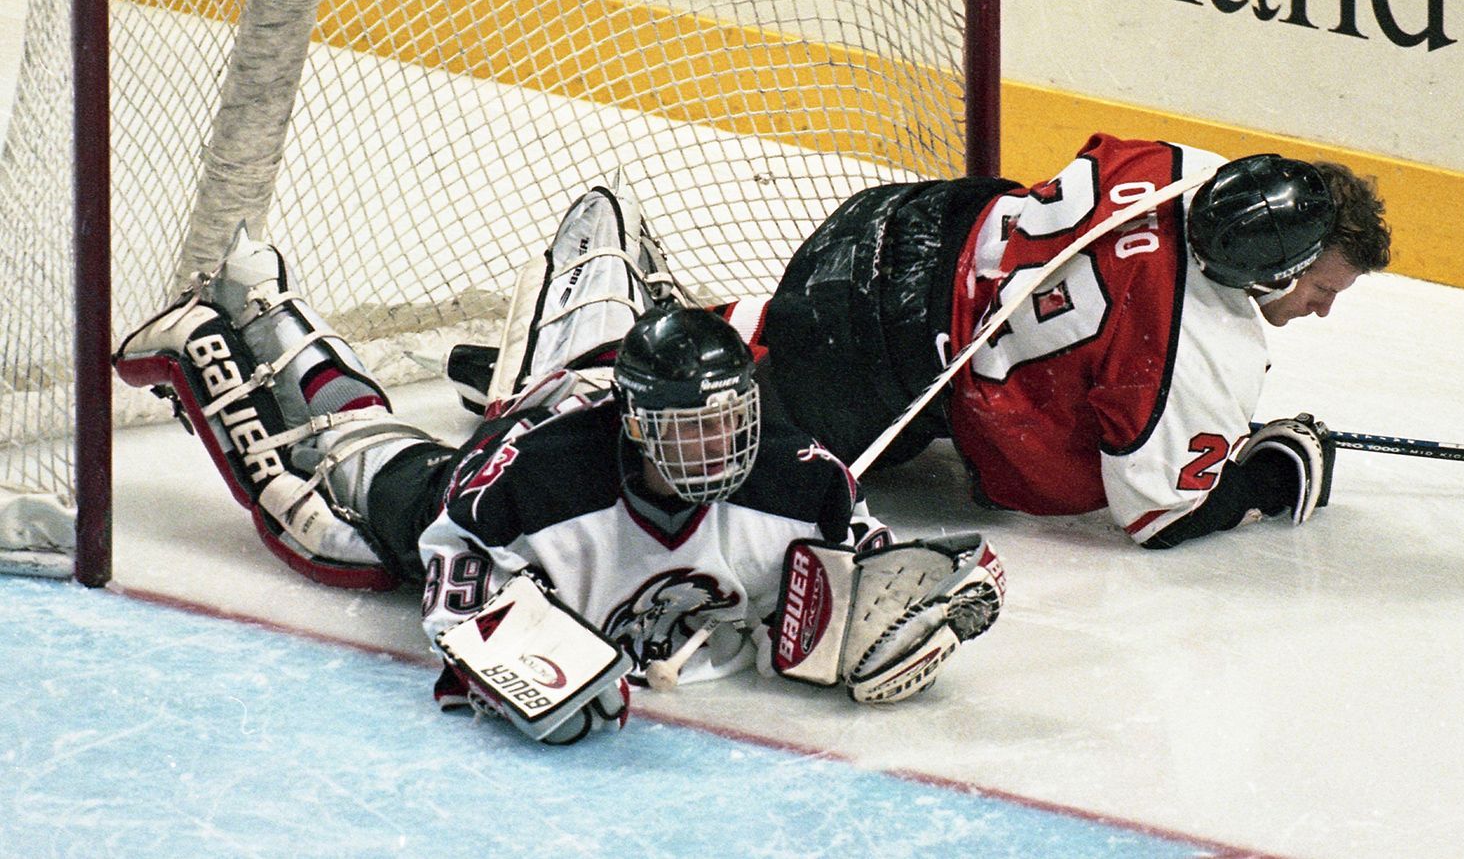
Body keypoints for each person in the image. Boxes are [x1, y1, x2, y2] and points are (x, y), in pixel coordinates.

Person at [113, 183, 1005, 745]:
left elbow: (864, 552)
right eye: (693, 431)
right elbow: (452, 550)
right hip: (534, 422)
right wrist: (509, 662)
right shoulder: (536, 482)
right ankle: (246, 315)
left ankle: (619, 272)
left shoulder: (795, 475)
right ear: (639, 424)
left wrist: (891, 624)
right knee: (344, 476)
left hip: (595, 372)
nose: (721, 449)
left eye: (732, 421)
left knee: (604, 213)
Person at [722, 133, 1391, 549]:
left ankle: (743, 323)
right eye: (1321, 291)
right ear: (1277, 267)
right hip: (861, 360)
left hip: (901, 218)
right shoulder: (1208, 350)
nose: (1323, 310)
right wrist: (1269, 479)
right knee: (733, 452)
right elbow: (1161, 516)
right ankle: (648, 335)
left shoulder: (1188, 167)